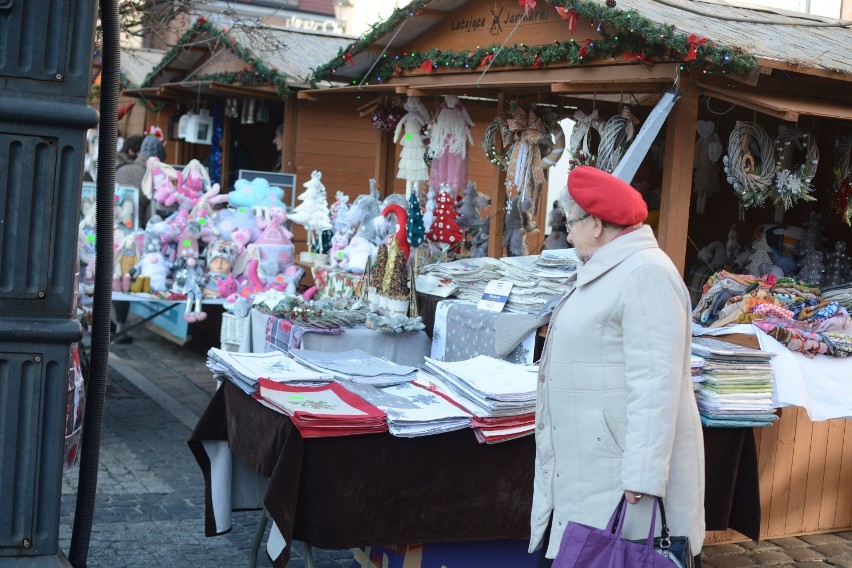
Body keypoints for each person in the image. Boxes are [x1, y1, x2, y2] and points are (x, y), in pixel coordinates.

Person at [530, 166, 705, 567]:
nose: (567, 233)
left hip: (621, 478)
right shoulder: (610, 269)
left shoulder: (646, 275)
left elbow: (655, 382)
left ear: (596, 224)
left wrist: (642, 475)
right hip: (592, 466)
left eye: (571, 222)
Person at [112, 134, 166, 343]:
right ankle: (121, 326)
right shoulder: (151, 178)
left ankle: (95, 323)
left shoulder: (121, 170)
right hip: (133, 241)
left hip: (107, 233)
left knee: (103, 280)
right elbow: (151, 218)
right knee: (124, 281)